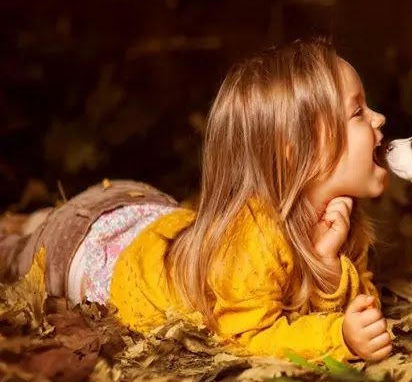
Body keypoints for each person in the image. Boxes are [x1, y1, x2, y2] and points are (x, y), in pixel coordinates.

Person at [0, 38, 392, 362]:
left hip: (146, 214)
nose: (379, 119)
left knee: (55, 220)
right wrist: (336, 338)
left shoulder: (340, 217)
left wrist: (327, 266)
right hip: (84, 252)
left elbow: (363, 309)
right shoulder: (254, 238)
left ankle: (37, 219)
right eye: (357, 111)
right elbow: (245, 336)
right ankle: (31, 227)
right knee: (16, 253)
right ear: (295, 151)